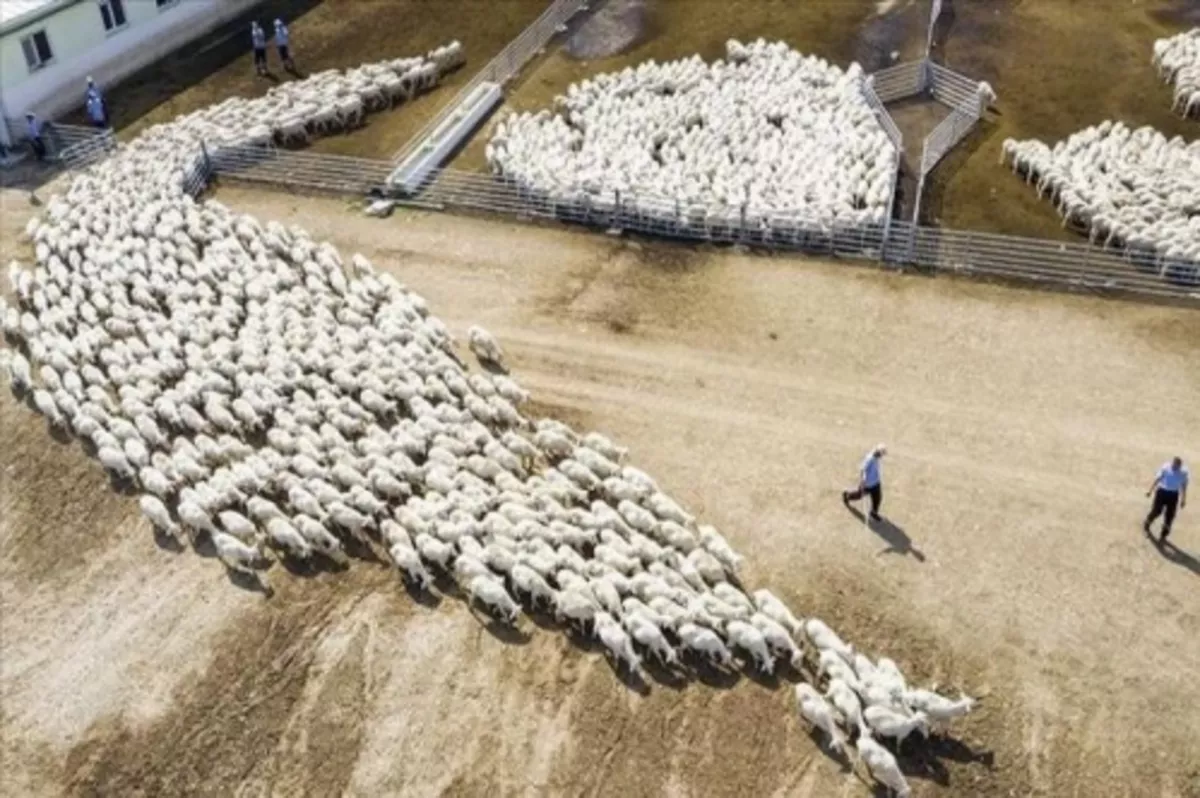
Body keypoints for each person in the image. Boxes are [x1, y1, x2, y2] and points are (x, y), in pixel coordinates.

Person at [1145, 456, 1189, 543]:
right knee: (1157, 511)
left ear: (1180, 466)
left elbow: (1184, 486)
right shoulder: (1165, 468)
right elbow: (1158, 479)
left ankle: (1163, 535)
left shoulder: (1183, 473)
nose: (1175, 467)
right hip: (1162, 492)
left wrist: (1183, 499)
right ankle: (1147, 523)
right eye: (1174, 465)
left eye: (1177, 466)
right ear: (1172, 463)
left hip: (1173, 495)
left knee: (1170, 516)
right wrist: (1150, 490)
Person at [843, 444, 887, 521]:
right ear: (878, 452)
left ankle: (873, 513)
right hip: (867, 484)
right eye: (882, 454)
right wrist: (863, 479)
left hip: (876, 483)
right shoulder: (870, 458)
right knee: (858, 495)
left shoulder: (877, 458)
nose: (882, 456)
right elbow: (863, 469)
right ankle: (847, 495)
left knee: (878, 498)